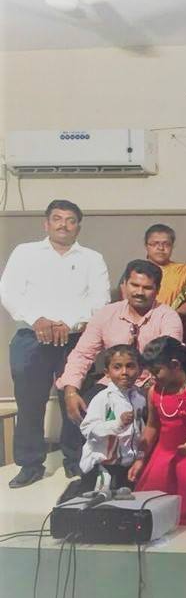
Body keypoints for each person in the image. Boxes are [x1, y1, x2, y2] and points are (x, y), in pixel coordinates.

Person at [0, 199, 110, 488]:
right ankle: (30, 465)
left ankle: (75, 461)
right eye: (57, 219)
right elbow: (9, 292)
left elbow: (100, 300)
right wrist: (38, 320)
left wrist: (67, 325)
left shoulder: (92, 258)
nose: (63, 225)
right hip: (31, 338)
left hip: (75, 340)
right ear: (46, 224)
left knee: (74, 400)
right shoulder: (25, 253)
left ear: (78, 227)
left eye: (70, 220)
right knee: (29, 402)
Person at [57, 260, 182, 477]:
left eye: (147, 287)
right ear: (124, 284)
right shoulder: (106, 314)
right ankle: (83, 467)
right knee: (80, 400)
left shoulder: (167, 316)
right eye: (134, 285)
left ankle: (146, 464)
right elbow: (82, 354)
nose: (139, 292)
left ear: (157, 290)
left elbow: (169, 357)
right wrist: (70, 392)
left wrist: (150, 388)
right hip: (113, 383)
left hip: (151, 383)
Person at [130, 337, 186, 525]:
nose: (152, 377)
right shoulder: (154, 391)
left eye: (156, 371)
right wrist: (140, 458)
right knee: (152, 504)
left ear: (175, 365)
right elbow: (152, 426)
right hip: (163, 455)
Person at [59, 344, 146, 502]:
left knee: (125, 502)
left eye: (130, 366)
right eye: (117, 367)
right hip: (104, 466)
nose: (124, 372)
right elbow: (87, 429)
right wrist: (117, 424)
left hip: (127, 465)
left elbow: (141, 431)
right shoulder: (103, 398)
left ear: (140, 371)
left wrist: (140, 456)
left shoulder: (140, 398)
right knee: (101, 504)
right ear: (107, 372)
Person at [143, 224, 186, 316]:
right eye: (155, 244)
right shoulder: (135, 272)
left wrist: (169, 318)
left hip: (174, 320)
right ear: (146, 246)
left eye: (166, 244)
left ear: (172, 246)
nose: (161, 248)